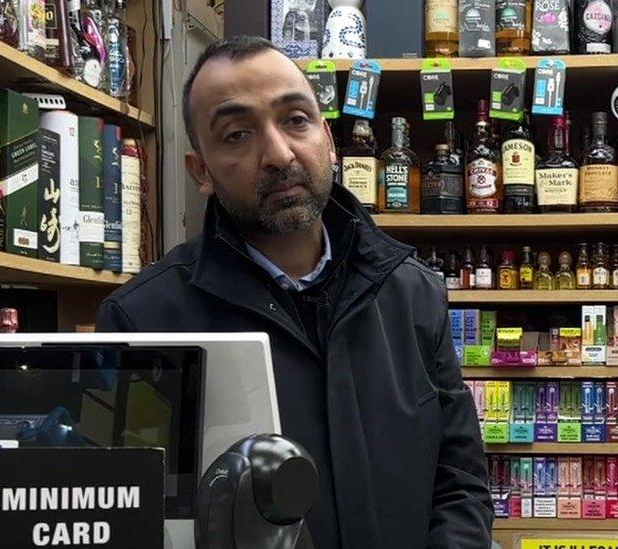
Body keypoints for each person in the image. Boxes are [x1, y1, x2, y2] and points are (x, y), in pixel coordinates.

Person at [96, 36, 493, 548]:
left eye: (296, 120)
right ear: (202, 173)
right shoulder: (143, 321)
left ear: (327, 139)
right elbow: (134, 522)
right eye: (237, 134)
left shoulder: (413, 292)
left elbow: (459, 483)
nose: (279, 154)